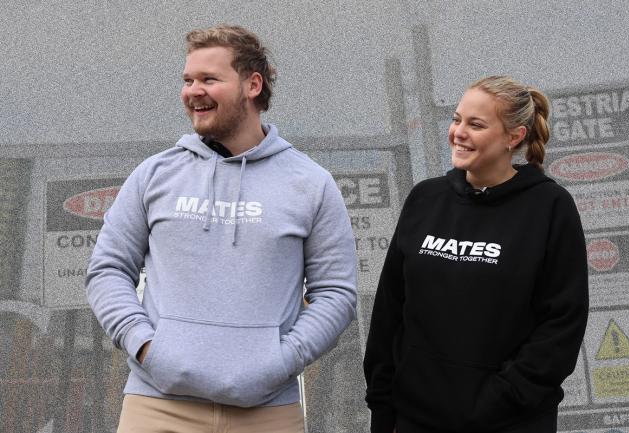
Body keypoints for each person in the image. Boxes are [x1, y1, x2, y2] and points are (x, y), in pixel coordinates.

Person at [86, 24, 357, 433]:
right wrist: (145, 346)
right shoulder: (154, 175)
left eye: (209, 79)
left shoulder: (310, 183)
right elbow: (107, 270)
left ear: (252, 85)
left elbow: (336, 293)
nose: (193, 91)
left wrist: (282, 361)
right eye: (188, 80)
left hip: (268, 413)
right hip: (156, 407)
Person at [363, 76, 589, 433]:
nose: (459, 133)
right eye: (456, 120)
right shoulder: (425, 199)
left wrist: (502, 397)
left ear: (513, 137)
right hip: (415, 420)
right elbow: (390, 311)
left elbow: (562, 324)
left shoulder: (549, 207)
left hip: (509, 422)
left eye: (476, 125)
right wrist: (383, 406)